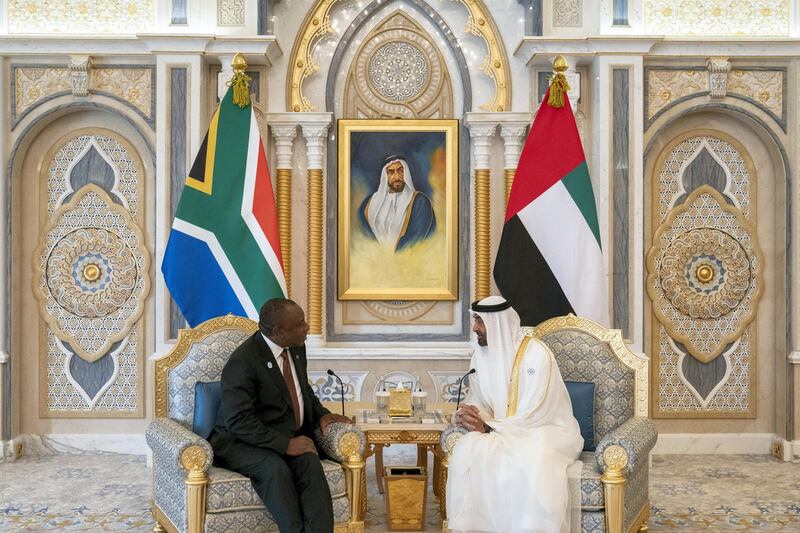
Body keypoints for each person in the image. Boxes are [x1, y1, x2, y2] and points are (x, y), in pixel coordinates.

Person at [209, 298, 352, 533]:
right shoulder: (243, 362)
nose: (306, 328)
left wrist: (322, 415)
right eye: (300, 324)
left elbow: (300, 389)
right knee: (274, 468)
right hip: (240, 441)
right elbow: (238, 421)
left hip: (283, 434)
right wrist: (285, 445)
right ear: (277, 332)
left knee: (309, 461)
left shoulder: (295, 345)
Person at [446, 296, 583, 533]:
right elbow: (479, 401)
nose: (475, 327)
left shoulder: (536, 354)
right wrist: (467, 414)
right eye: (475, 320)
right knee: (469, 449)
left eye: (479, 320)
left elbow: (537, 411)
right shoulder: (480, 355)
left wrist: (489, 427)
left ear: (497, 323)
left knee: (532, 455)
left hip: (546, 431)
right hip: (501, 430)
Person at [358, 155, 436, 251]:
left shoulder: (419, 202)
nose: (397, 176)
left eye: (401, 171)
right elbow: (364, 237)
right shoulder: (368, 205)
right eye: (391, 172)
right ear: (385, 176)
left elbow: (415, 241)